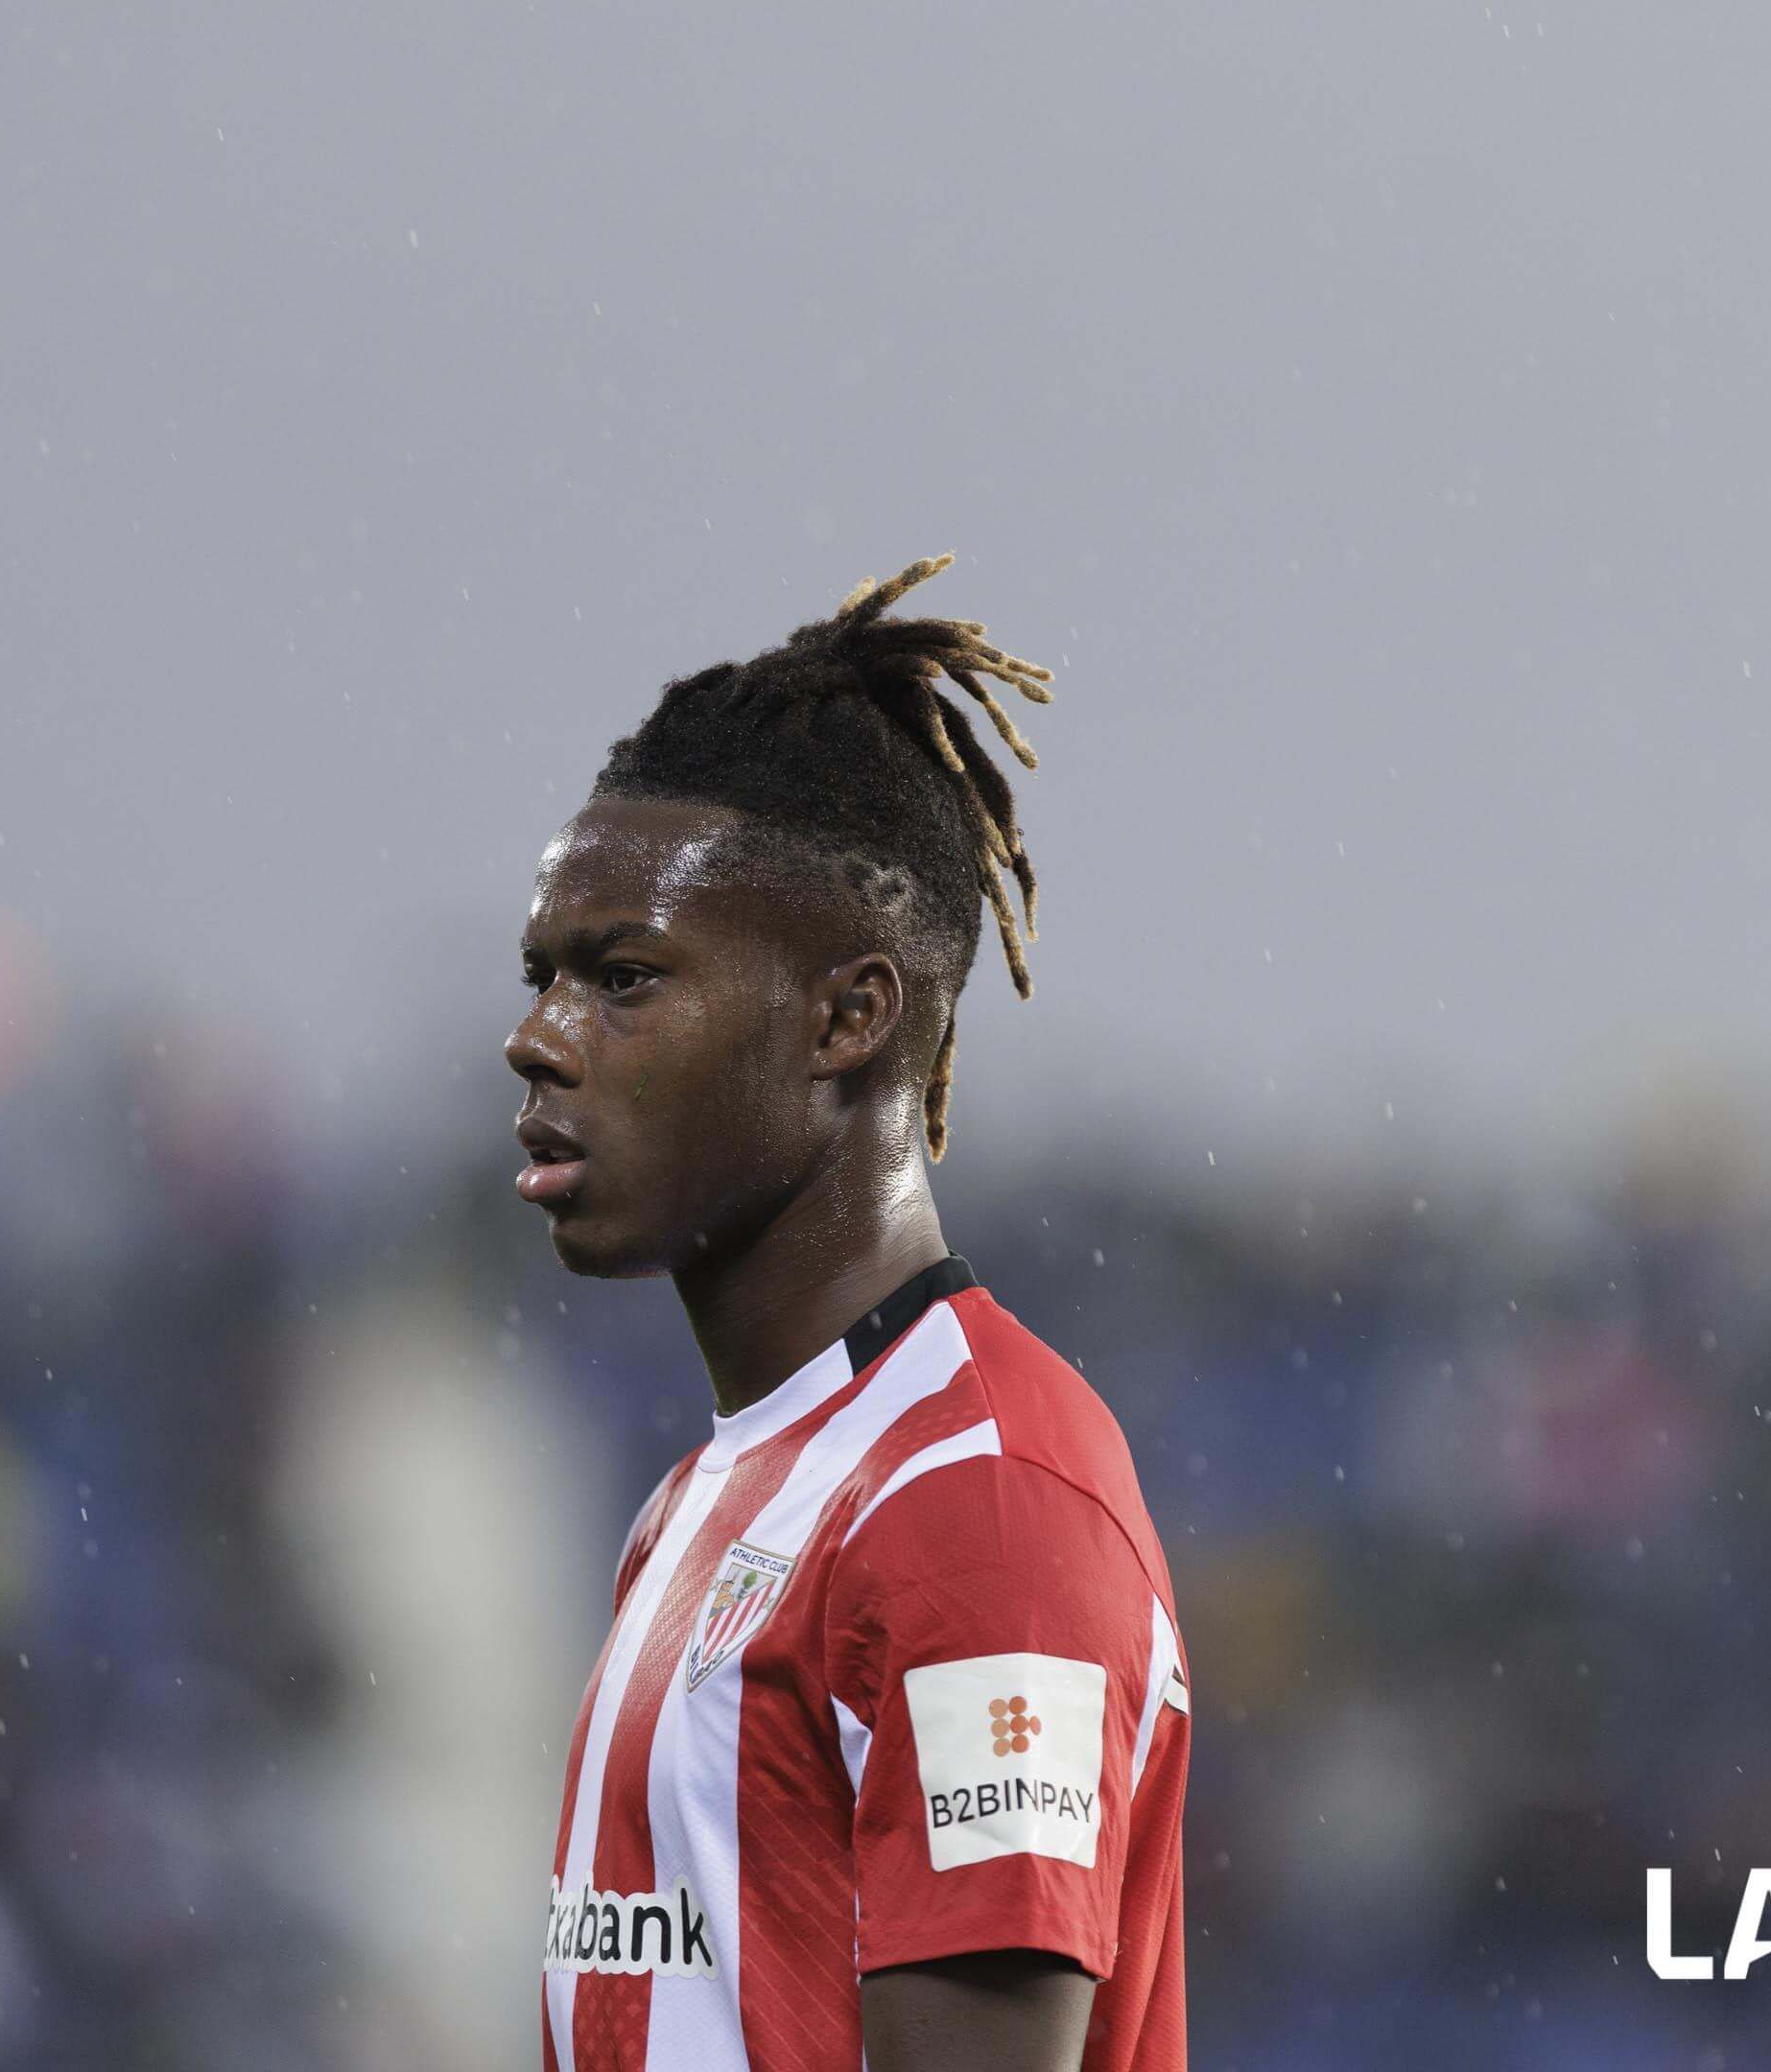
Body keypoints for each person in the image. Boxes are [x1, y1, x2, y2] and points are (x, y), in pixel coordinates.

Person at [507, 555, 1191, 2072]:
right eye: (543, 974)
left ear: (849, 1017)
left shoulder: (978, 1504)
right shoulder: (705, 1500)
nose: (539, 1039)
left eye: (623, 979)